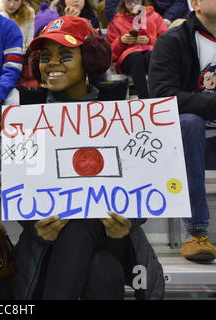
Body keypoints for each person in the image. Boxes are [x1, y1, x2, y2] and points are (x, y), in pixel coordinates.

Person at [11, 15, 165, 300]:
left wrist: (127, 222)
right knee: (104, 270)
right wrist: (37, 228)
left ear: (89, 60)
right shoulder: (26, 119)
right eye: (45, 56)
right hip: (52, 243)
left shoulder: (121, 117)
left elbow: (143, 192)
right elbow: (22, 195)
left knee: (84, 224)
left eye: (65, 55)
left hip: (113, 236)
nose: (51, 63)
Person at [148, 0, 216, 262]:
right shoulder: (173, 40)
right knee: (189, 121)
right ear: (196, 4)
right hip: (186, 143)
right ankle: (197, 232)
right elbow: (162, 95)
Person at [106, 0, 167, 99]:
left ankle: (160, 95)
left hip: (150, 52)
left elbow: (166, 43)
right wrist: (121, 41)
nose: (133, 5)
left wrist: (150, 40)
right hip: (128, 57)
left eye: (135, 1)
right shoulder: (117, 21)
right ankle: (144, 98)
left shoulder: (154, 16)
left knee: (152, 56)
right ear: (123, 2)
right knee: (137, 57)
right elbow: (111, 54)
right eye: (129, 2)